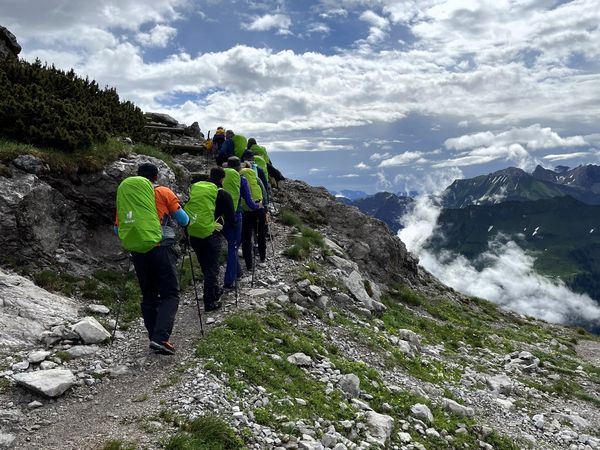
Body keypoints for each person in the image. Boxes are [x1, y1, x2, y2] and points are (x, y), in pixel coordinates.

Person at [115, 163, 189, 355]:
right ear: (155, 177)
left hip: (138, 250)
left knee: (149, 294)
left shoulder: (129, 196)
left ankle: (153, 337)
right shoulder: (163, 192)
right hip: (160, 248)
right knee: (170, 294)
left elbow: (117, 228)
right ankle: (160, 338)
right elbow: (183, 220)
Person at [185, 167, 235, 312]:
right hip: (211, 234)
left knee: (205, 266)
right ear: (222, 179)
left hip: (194, 232)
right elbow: (231, 219)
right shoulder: (223, 194)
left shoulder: (197, 189)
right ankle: (210, 302)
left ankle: (213, 291)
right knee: (212, 268)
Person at [221, 156, 262, 288]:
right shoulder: (242, 179)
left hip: (219, 218)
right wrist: (258, 206)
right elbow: (249, 202)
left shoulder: (221, 178)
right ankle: (229, 280)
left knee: (231, 244)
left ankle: (237, 271)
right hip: (235, 216)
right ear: (240, 168)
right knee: (233, 247)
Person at [240, 162, 268, 270]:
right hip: (259, 208)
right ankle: (262, 257)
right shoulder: (256, 179)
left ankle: (249, 264)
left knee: (246, 237)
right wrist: (265, 208)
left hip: (246, 211)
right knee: (260, 233)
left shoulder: (239, 178)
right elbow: (264, 193)